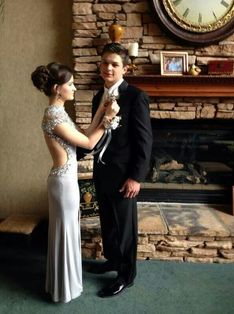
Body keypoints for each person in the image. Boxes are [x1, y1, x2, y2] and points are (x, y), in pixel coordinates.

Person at [31, 62, 119, 303]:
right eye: (70, 84)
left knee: (67, 231)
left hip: (65, 179)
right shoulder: (53, 115)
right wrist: (109, 119)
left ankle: (64, 286)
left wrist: (102, 110)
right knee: (64, 232)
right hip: (63, 182)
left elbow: (87, 132)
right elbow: (89, 144)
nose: (75, 87)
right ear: (58, 88)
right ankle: (62, 290)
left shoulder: (59, 112)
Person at [87, 43, 153, 298]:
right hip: (102, 171)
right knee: (108, 223)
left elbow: (144, 141)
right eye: (104, 62)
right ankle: (113, 261)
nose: (108, 67)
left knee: (125, 227)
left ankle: (127, 275)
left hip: (125, 175)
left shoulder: (136, 96)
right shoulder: (97, 97)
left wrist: (136, 177)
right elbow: (95, 135)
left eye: (114, 64)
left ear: (125, 68)